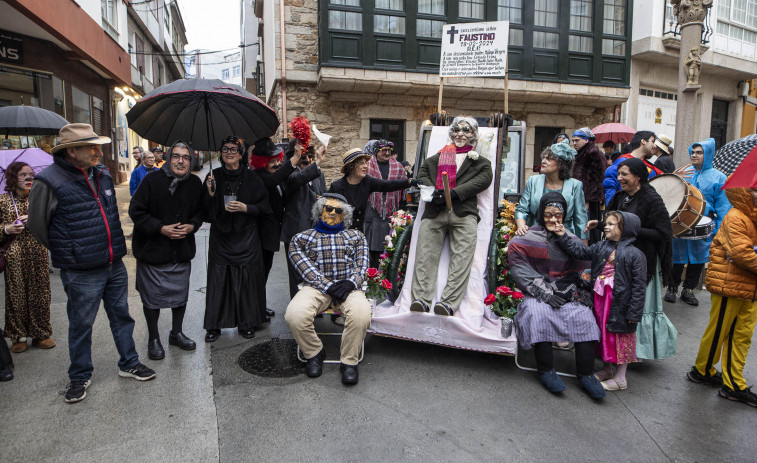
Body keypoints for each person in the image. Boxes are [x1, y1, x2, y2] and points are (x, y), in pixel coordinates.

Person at [28, 123, 155, 404]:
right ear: (72, 151)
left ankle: (129, 362)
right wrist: (70, 250)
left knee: (121, 315)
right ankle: (79, 375)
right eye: (91, 146)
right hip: (81, 270)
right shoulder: (48, 181)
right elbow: (37, 226)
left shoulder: (103, 174)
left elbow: (110, 212)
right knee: (81, 324)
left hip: (113, 263)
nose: (98, 151)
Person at [508, 192, 605, 399]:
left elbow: (583, 267)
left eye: (558, 214)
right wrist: (545, 293)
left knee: (584, 318)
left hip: (568, 292)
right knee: (537, 313)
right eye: (548, 214)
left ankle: (586, 374)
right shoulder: (524, 238)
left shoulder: (572, 238)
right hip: (537, 292)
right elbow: (520, 269)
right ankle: (546, 369)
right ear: (540, 213)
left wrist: (563, 239)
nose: (553, 219)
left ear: (564, 215)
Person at [409, 116, 492, 316]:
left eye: (466, 130)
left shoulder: (481, 163)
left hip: (464, 214)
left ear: (473, 135)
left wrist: (454, 193)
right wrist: (434, 192)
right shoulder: (434, 160)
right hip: (435, 212)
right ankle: (421, 298)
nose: (461, 134)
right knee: (425, 255)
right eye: (457, 130)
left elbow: (483, 181)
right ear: (451, 133)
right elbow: (422, 175)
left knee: (462, 260)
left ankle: (448, 303)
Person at [555, 211, 646, 391]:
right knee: (604, 335)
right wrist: (562, 235)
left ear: (625, 229)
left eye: (612, 224)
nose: (606, 226)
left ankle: (621, 378)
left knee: (620, 337)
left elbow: (639, 287)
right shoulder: (602, 246)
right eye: (607, 223)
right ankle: (607, 369)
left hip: (620, 304)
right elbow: (580, 251)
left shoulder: (636, 255)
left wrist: (634, 313)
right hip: (601, 300)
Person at [129, 140, 203, 360]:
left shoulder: (195, 184)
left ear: (191, 161)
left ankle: (176, 333)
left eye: (186, 157)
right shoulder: (152, 180)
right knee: (151, 299)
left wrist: (192, 225)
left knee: (179, 296)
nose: (181, 161)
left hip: (180, 250)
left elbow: (200, 212)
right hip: (153, 250)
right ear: (169, 159)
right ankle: (153, 338)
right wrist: (160, 228)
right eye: (176, 156)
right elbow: (136, 211)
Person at [285, 193, 370, 385]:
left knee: (361, 313)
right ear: (319, 210)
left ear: (345, 215)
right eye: (328, 208)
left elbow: (362, 265)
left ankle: (349, 362)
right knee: (295, 314)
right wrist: (328, 285)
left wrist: (351, 282)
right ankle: (314, 352)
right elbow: (305, 268)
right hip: (316, 288)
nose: (332, 213)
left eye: (338, 210)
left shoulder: (356, 236)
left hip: (348, 287)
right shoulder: (301, 239)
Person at [688, 186, 757, 407]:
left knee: (741, 336)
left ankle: (732, 382)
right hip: (730, 284)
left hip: (749, 288)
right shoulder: (736, 216)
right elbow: (742, 254)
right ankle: (703, 370)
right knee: (719, 332)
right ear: (748, 191)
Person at [202, 136, 271, 342]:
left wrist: (246, 208)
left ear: (241, 154)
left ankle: (246, 322)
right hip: (221, 237)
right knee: (218, 280)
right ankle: (214, 326)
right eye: (225, 149)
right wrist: (211, 193)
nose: (229, 153)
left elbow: (265, 207)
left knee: (246, 280)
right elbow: (205, 211)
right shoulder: (213, 176)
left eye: (233, 149)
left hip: (246, 237)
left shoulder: (252, 178)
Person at [606, 158, 677, 359]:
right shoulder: (620, 197)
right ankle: (614, 346)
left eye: (624, 174)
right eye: (619, 174)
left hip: (641, 261)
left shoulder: (651, 199)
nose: (620, 178)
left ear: (638, 177)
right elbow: (612, 220)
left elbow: (663, 233)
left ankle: (635, 351)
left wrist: (632, 230)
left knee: (636, 305)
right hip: (618, 257)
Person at [667, 138, 731, 306]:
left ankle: (688, 289)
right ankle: (672, 287)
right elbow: (670, 192)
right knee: (677, 256)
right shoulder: (685, 172)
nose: (694, 155)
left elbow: (724, 206)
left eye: (699, 152)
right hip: (681, 222)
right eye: (693, 152)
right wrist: (674, 178)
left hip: (704, 225)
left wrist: (718, 229)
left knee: (698, 258)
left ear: (708, 154)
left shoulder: (719, 178)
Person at [1, 161, 54, 353]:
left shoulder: (38, 198)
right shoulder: (3, 200)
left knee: (40, 293)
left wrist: (33, 219)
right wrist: (6, 228)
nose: (28, 178)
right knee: (16, 294)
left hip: (38, 250)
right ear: (13, 177)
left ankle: (41, 333)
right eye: (23, 175)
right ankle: (18, 335)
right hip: (14, 253)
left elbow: (53, 221)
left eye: (31, 174)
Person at [249, 136, 301, 317]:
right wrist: (294, 159)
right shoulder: (259, 177)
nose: (277, 163)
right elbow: (274, 180)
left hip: (269, 235)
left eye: (278, 159)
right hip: (260, 236)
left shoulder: (270, 175)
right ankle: (255, 311)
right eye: (272, 161)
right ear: (261, 162)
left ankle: (259, 307)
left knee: (264, 272)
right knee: (259, 274)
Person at [280, 140, 327, 299]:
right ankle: (298, 309)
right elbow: (297, 180)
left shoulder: (318, 173)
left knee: (315, 270)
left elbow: (323, 196)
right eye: (302, 156)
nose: (306, 159)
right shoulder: (288, 173)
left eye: (309, 155)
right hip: (296, 232)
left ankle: (314, 305)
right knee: (297, 273)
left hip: (316, 231)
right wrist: (317, 162)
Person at [328, 148, 411, 234]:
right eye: (361, 163)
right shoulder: (337, 187)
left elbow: (388, 184)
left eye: (366, 163)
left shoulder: (367, 182)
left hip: (358, 235)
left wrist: (409, 182)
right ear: (351, 166)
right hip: (338, 234)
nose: (365, 166)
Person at [516, 141, 588, 240]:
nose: (543, 161)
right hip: (536, 237)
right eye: (543, 158)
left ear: (561, 164)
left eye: (549, 159)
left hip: (565, 238)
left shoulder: (575, 185)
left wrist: (583, 248)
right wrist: (521, 226)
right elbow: (522, 209)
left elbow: (581, 220)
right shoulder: (533, 181)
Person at [362, 139, 413, 268]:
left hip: (392, 209)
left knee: (388, 244)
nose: (386, 153)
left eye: (389, 150)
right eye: (383, 150)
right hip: (371, 208)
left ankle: (385, 275)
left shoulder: (398, 167)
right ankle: (370, 272)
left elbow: (404, 189)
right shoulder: (368, 166)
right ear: (375, 152)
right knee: (370, 244)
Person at [603, 130, 663, 204]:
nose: (655, 146)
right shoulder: (622, 161)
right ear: (643, 141)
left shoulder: (651, 168)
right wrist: (612, 209)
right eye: (652, 141)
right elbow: (610, 186)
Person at [571, 128, 607, 244]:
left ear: (586, 140)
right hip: (581, 197)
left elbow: (597, 180)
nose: (574, 143)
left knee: (590, 227)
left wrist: (588, 201)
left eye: (577, 140)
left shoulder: (593, 153)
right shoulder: (582, 152)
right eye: (573, 141)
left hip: (589, 200)